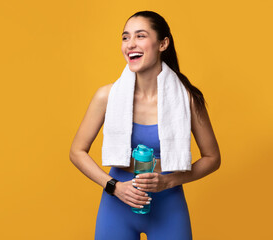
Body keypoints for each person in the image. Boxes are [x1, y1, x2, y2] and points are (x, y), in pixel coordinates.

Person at [69, 10, 221, 240]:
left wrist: (169, 180)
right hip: (117, 205)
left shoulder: (186, 99)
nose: (130, 44)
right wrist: (114, 187)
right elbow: (76, 152)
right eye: (125, 37)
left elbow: (213, 158)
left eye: (140, 36)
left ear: (163, 43)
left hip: (168, 204)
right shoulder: (106, 96)